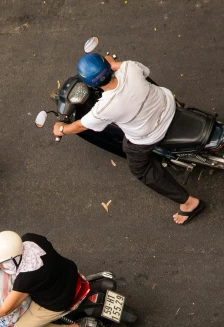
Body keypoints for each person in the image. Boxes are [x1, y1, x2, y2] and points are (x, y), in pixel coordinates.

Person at [53, 53, 204, 225]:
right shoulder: (129, 67)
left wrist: (61, 129)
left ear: (89, 83)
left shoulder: (105, 107)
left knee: (141, 169)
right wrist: (114, 63)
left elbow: (80, 126)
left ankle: (189, 203)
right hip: (169, 105)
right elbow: (144, 71)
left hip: (150, 134)